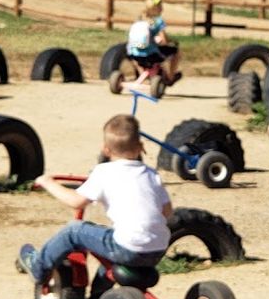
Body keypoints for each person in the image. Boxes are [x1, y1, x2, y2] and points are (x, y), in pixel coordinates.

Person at [16, 113, 173, 288]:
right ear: (141, 146)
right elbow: (167, 212)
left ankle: (38, 267)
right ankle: (98, 297)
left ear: (105, 149)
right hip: (158, 248)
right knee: (110, 241)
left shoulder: (104, 172)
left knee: (73, 231)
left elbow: (76, 201)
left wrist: (48, 183)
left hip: (129, 247)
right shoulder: (152, 174)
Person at [126, 0, 181, 84]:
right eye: (161, 7)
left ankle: (143, 74)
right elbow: (164, 40)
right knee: (175, 52)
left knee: (142, 56)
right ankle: (170, 77)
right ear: (157, 9)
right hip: (151, 54)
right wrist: (171, 41)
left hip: (133, 52)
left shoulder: (140, 19)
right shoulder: (158, 21)